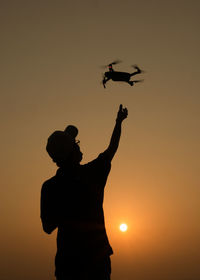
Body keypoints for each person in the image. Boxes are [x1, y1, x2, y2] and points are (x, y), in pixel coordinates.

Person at [40, 104, 128, 280]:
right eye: (75, 145)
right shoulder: (91, 174)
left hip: (67, 265)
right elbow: (112, 149)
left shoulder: (50, 187)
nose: (79, 146)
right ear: (71, 153)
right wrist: (119, 122)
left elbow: (48, 227)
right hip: (97, 263)